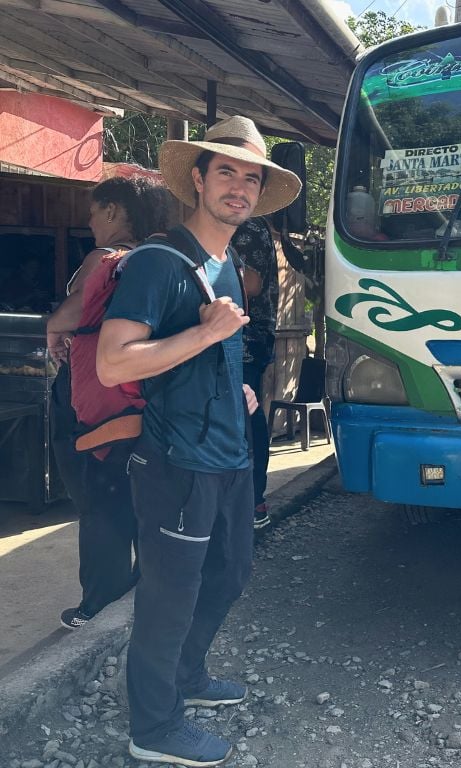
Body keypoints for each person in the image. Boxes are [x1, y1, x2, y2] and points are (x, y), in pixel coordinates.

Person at [96, 116, 300, 767]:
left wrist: (231, 385)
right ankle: (153, 727)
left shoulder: (227, 265)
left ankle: (186, 676)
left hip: (229, 454)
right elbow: (113, 362)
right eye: (226, 172)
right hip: (176, 463)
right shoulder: (158, 264)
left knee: (231, 572)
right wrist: (206, 336)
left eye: (251, 178)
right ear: (198, 179)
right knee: (170, 596)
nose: (239, 187)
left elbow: (208, 352)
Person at [46, 176, 172, 630]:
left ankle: (98, 604)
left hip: (92, 394)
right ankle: (139, 589)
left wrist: (52, 327)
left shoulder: (105, 256)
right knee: (129, 491)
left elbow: (75, 311)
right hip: (133, 395)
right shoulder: (153, 261)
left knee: (96, 497)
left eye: (94, 213)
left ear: (115, 211)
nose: (91, 222)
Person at [230, 216, 278, 530]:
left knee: (246, 411)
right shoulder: (249, 226)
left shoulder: (248, 228)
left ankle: (253, 499)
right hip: (243, 332)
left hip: (247, 333)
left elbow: (251, 283)